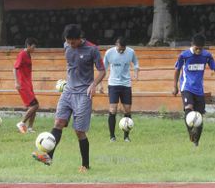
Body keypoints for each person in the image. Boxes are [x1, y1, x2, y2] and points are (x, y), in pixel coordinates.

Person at [32, 24, 106, 172]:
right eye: (68, 41)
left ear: (80, 38)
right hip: (67, 92)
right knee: (58, 122)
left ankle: (85, 165)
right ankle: (48, 158)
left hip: (83, 94)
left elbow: (102, 71)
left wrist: (94, 85)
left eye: (73, 42)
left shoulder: (92, 49)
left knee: (79, 131)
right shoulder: (66, 46)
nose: (71, 44)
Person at [172, 34, 215, 147]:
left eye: (201, 48)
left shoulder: (206, 56)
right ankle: (190, 132)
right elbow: (177, 70)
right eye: (197, 48)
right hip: (186, 88)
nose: (198, 51)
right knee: (188, 109)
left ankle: (196, 142)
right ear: (192, 45)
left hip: (199, 90)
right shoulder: (184, 55)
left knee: (199, 118)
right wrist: (175, 86)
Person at [103, 37, 140, 142]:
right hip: (113, 84)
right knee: (113, 109)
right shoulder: (109, 53)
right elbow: (103, 68)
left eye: (123, 49)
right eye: (120, 49)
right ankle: (112, 136)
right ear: (116, 44)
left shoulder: (131, 52)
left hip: (126, 84)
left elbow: (136, 63)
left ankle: (126, 137)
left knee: (127, 110)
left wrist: (136, 73)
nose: (121, 51)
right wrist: (100, 84)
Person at [13, 38, 39, 134]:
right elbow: (15, 68)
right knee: (35, 105)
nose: (34, 49)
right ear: (28, 45)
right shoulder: (22, 54)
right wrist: (16, 82)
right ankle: (21, 123)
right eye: (33, 47)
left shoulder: (28, 55)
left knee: (34, 106)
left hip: (28, 84)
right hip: (23, 84)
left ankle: (30, 128)